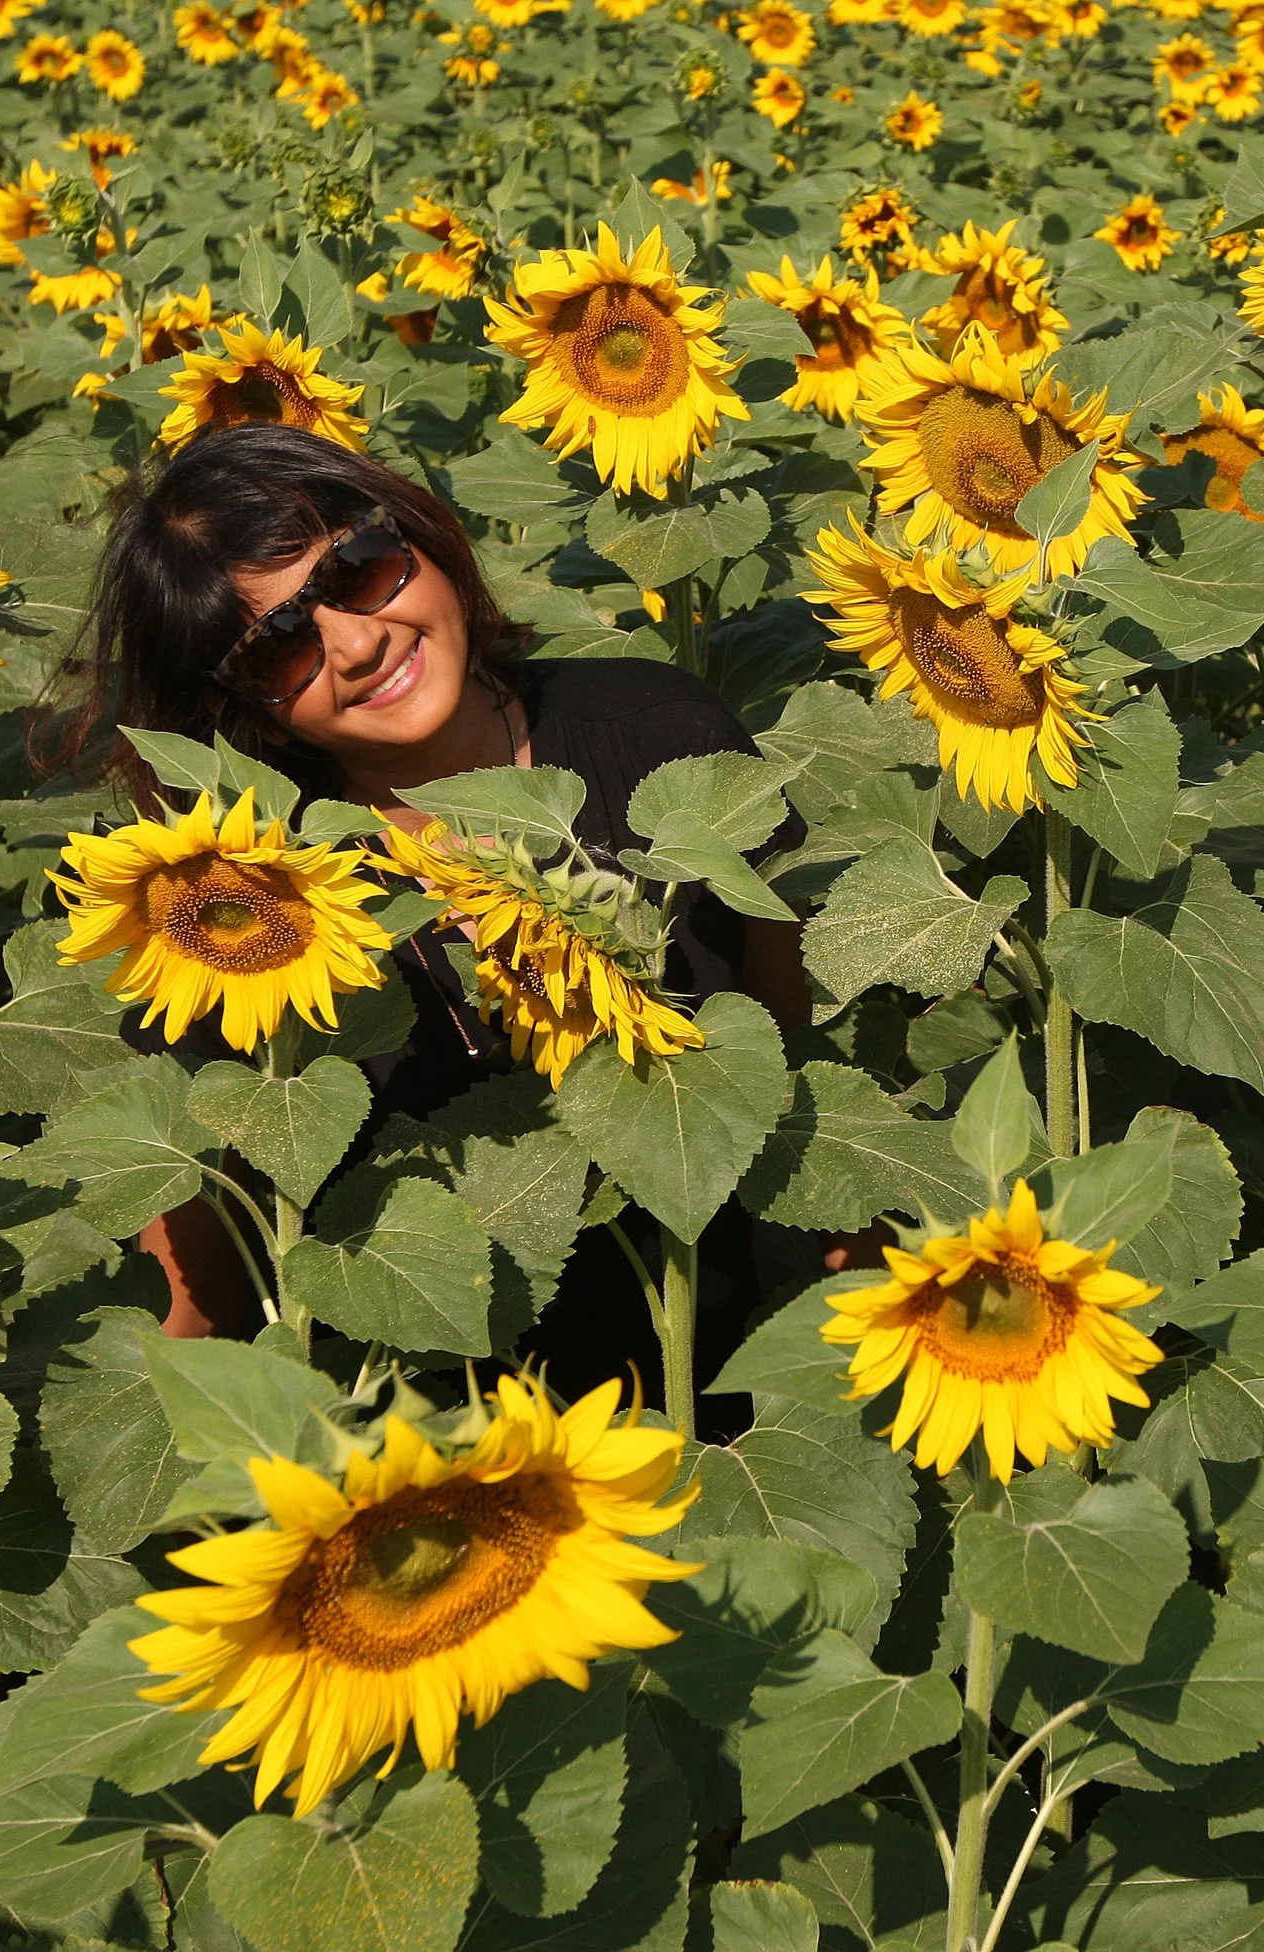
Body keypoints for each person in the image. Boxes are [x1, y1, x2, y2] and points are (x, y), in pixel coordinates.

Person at [48, 421, 810, 1406]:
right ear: (241, 710)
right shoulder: (240, 902)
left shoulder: (667, 738)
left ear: (421, 537)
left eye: (360, 570)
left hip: (730, 1400)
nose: (356, 644)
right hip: (428, 1465)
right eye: (279, 648)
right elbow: (205, 1288)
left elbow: (794, 1077)